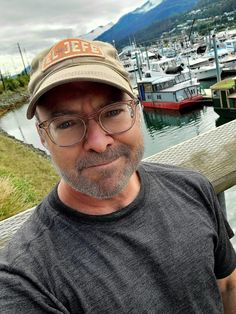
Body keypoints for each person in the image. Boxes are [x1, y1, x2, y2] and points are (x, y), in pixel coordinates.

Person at [0, 37, 236, 314]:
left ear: (136, 110)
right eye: (65, 123)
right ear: (42, 136)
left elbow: (227, 285)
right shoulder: (26, 281)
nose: (98, 143)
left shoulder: (192, 187)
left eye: (113, 112)